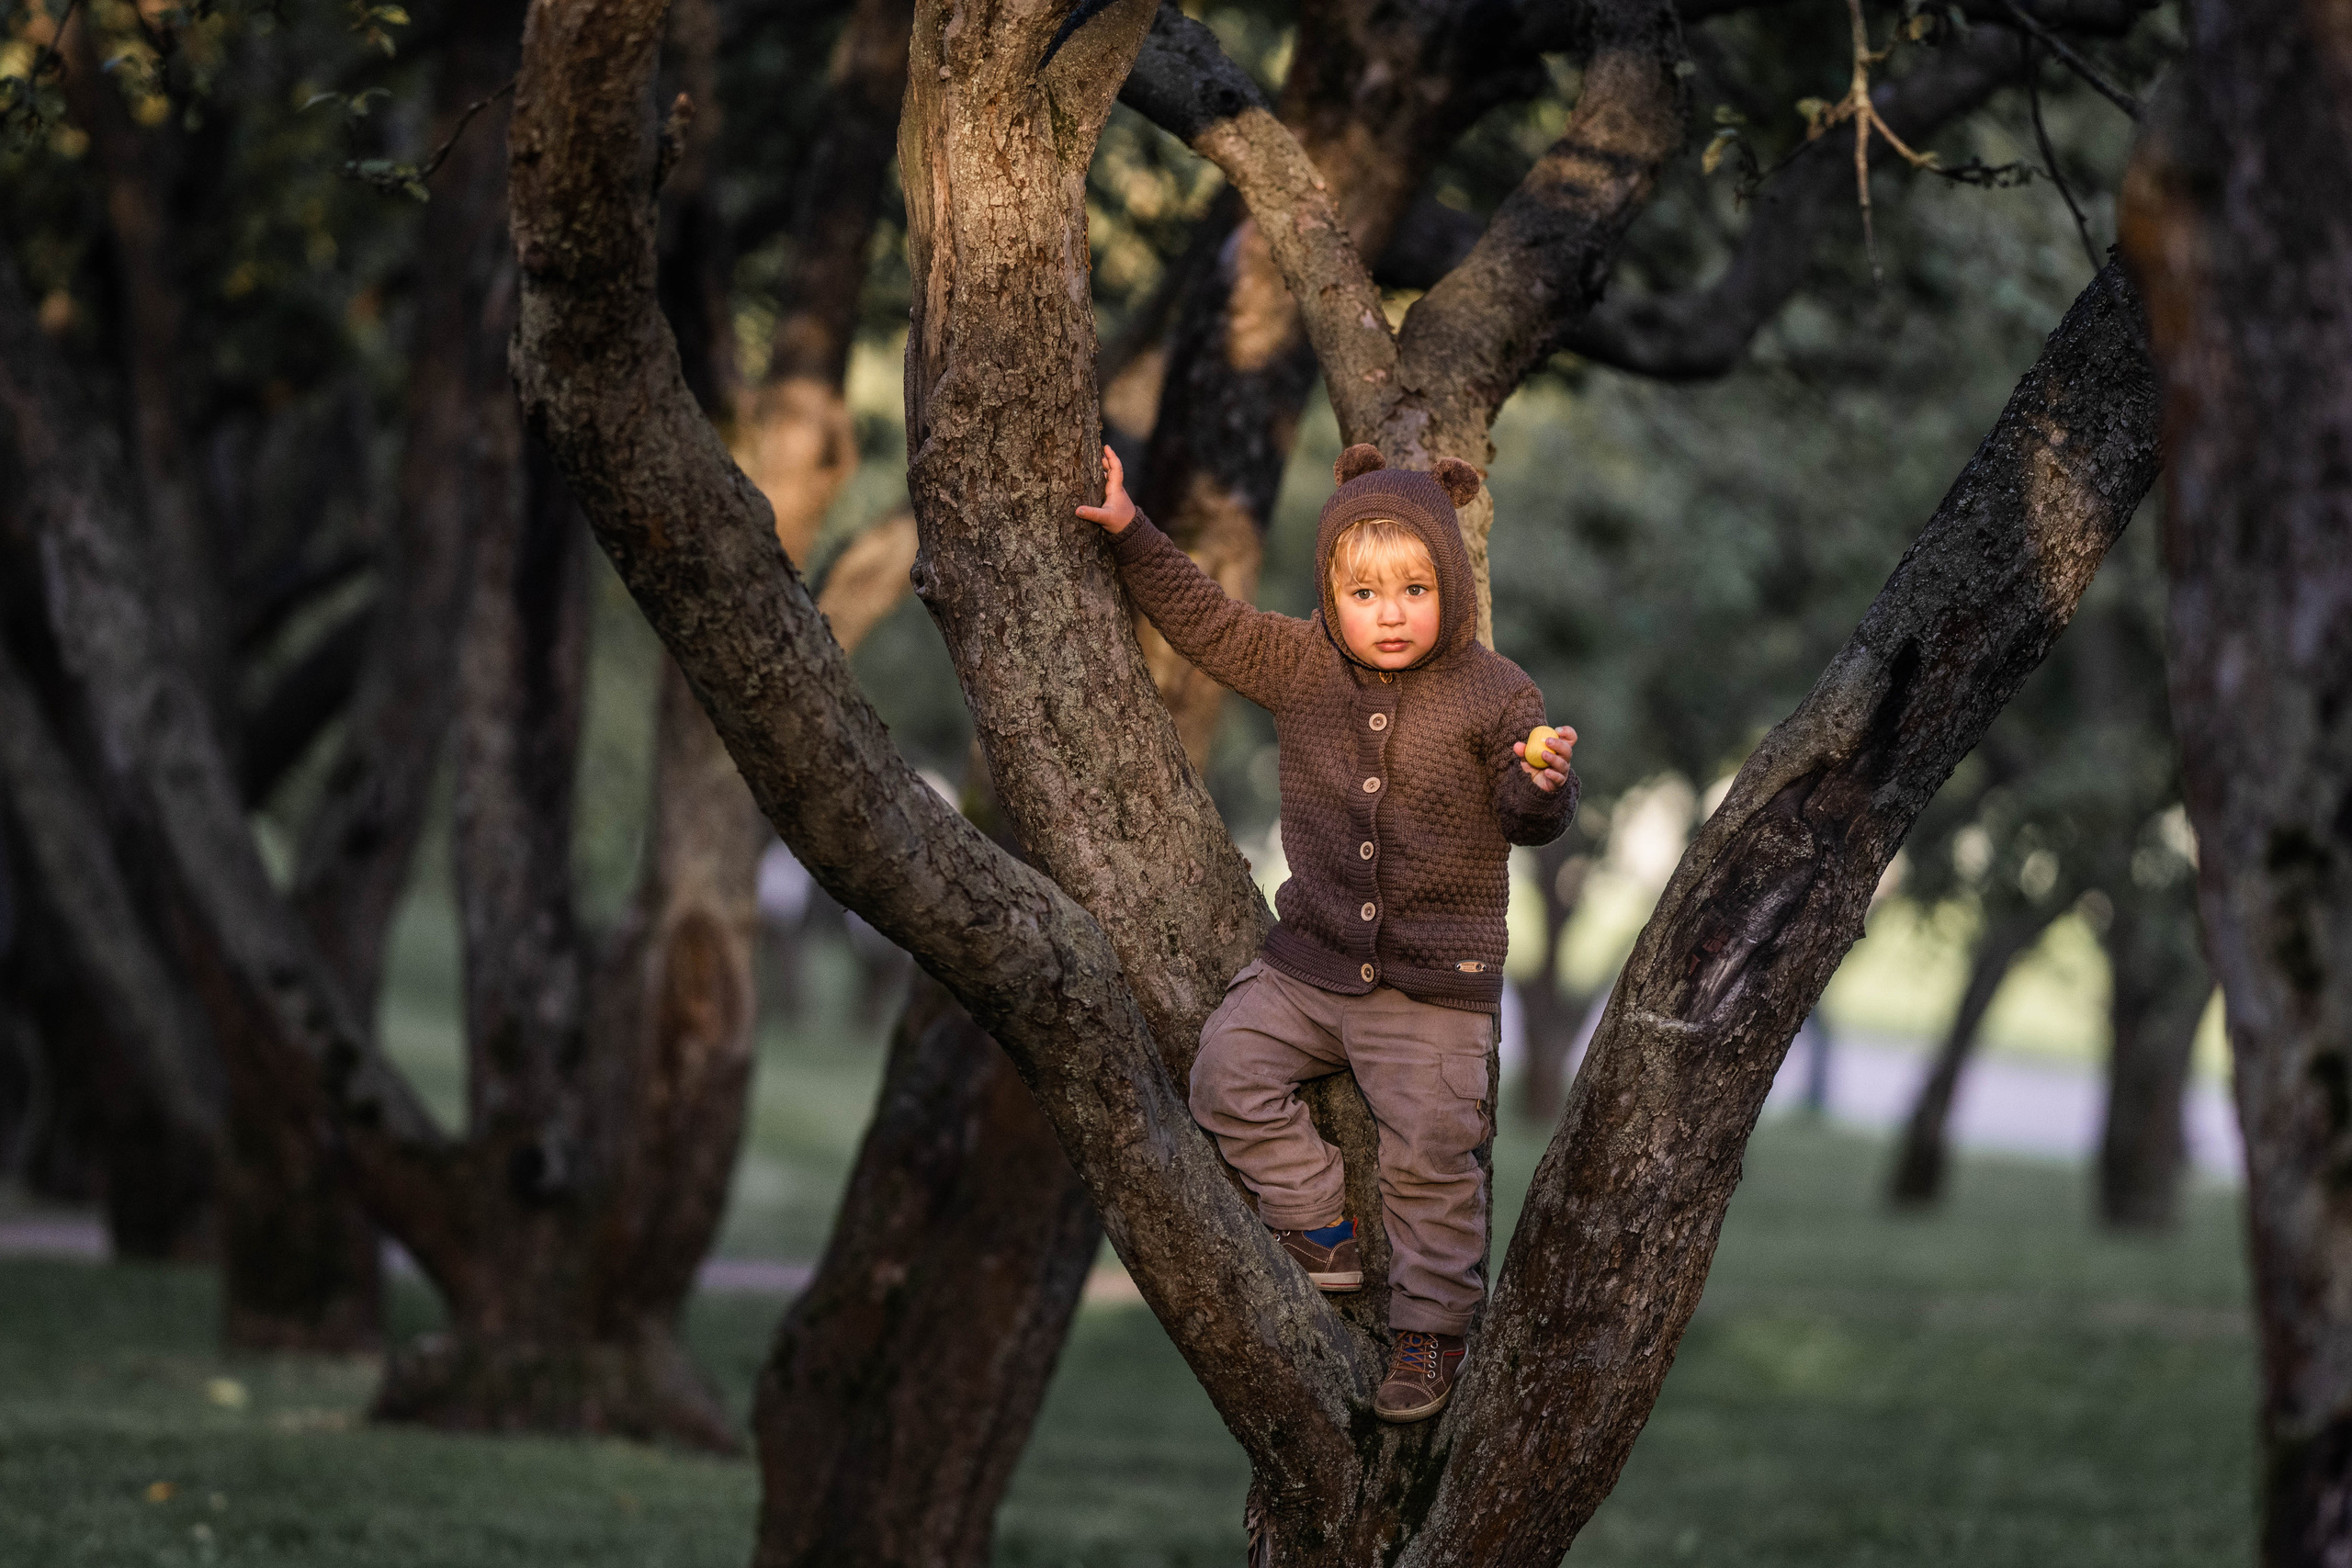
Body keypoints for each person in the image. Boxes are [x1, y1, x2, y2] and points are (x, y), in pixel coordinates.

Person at [1077, 440, 1578, 1423]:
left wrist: (1541, 784)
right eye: (1364, 593)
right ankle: (1319, 1229)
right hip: (1306, 966)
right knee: (1224, 1071)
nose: (1389, 614)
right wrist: (1130, 532)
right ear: (1330, 593)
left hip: (1435, 987)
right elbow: (1204, 622)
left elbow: (1528, 816)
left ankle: (1430, 1337)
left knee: (1432, 1157)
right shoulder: (1302, 661)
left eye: (1415, 589)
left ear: (1452, 591)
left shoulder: (1495, 693)